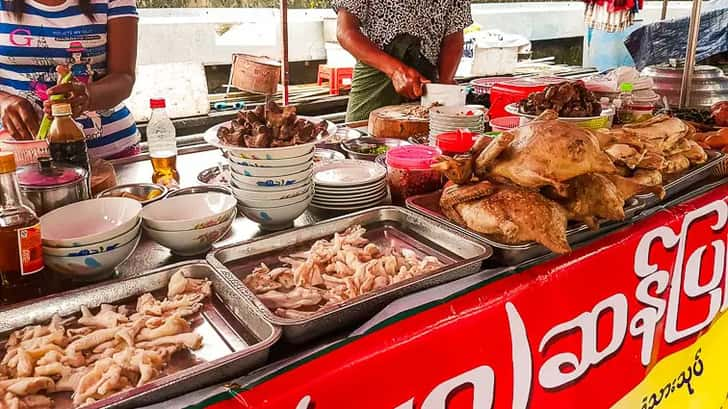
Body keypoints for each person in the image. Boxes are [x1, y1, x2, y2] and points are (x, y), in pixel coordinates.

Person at [0, 0, 140, 159]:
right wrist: (4, 101)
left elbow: (124, 77)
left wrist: (87, 96)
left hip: (110, 153)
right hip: (16, 159)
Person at [333, 0, 473, 122]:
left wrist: (444, 84)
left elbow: (454, 37)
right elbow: (346, 32)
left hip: (427, 83)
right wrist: (395, 71)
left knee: (426, 144)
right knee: (362, 138)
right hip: (376, 75)